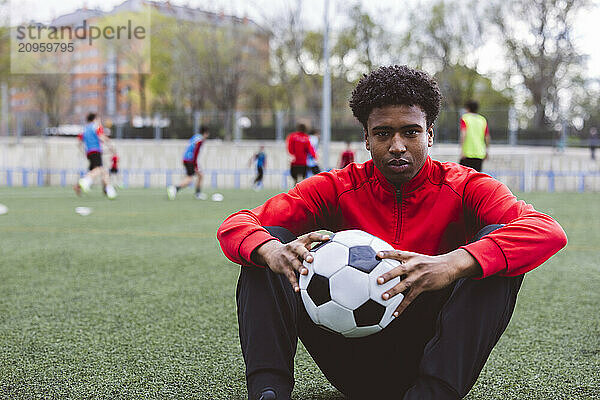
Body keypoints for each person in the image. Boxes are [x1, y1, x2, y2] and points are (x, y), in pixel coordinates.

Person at [217, 65, 567, 400]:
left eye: (410, 132)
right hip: (351, 354)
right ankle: (268, 391)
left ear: (429, 134)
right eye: (383, 133)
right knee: (266, 242)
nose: (397, 146)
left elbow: (547, 230)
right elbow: (237, 224)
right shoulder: (336, 186)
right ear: (367, 139)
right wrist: (269, 249)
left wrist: (454, 263)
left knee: (497, 249)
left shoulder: (467, 186)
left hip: (435, 356)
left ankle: (432, 394)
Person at [74, 113, 117, 199]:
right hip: (96, 151)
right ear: (95, 119)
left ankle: (108, 190)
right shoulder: (96, 126)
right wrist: (110, 145)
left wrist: (84, 151)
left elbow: (79, 143)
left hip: (89, 152)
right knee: (99, 169)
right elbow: (101, 137)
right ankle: (84, 181)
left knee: (103, 171)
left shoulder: (85, 129)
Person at [167, 126, 209, 200]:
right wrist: (195, 165)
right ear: (205, 133)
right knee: (190, 179)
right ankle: (175, 189)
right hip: (190, 160)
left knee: (200, 175)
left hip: (186, 159)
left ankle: (198, 193)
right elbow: (195, 153)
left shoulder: (195, 137)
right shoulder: (200, 140)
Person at [459, 100, 489, 172]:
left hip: (467, 153)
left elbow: (463, 134)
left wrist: (462, 150)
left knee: (464, 178)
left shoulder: (465, 118)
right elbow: (487, 137)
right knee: (476, 179)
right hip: (479, 154)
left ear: (467, 108)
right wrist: (486, 151)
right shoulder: (482, 119)